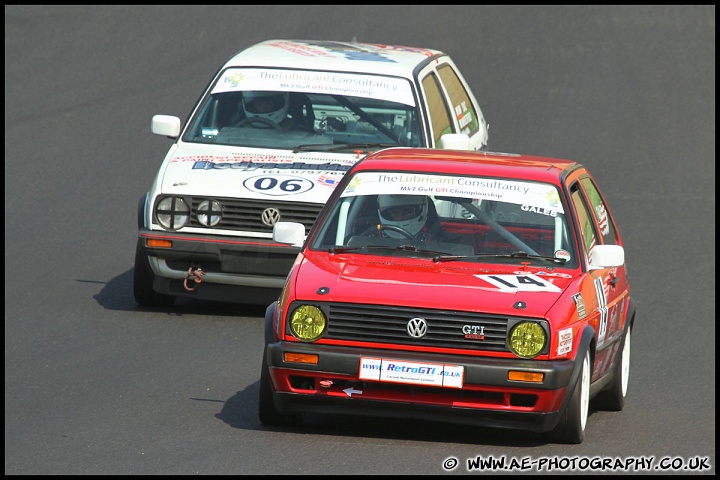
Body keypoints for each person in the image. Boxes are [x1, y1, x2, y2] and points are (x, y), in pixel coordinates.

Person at [376, 194, 445, 241]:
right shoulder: (372, 239)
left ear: (419, 210)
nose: (400, 217)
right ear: (388, 213)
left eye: (407, 212)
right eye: (395, 212)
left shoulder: (434, 240)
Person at [236, 91, 306, 130]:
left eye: (268, 104)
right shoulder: (240, 128)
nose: (262, 109)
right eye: (258, 105)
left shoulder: (295, 129)